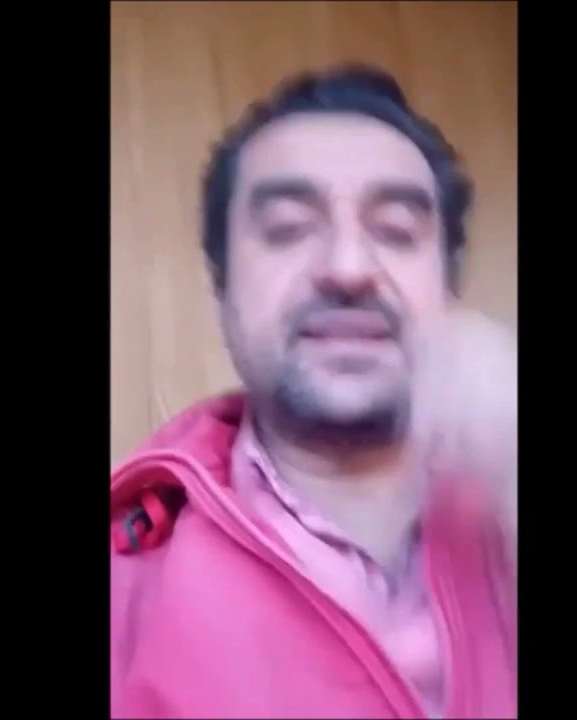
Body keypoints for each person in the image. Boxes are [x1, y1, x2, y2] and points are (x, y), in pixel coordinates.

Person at [110, 65, 518, 718]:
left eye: (397, 231)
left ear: (447, 292)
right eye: (288, 228)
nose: (347, 269)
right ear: (222, 296)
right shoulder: (123, 594)